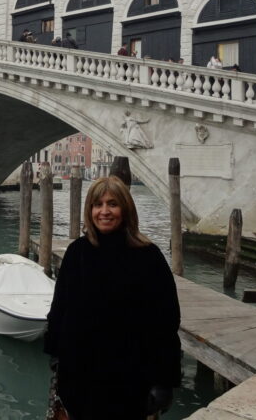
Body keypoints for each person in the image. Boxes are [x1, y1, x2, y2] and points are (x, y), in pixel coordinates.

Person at [44, 176, 181, 419]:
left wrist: (164, 381)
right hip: (79, 377)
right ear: (90, 210)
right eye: (98, 205)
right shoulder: (77, 253)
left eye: (112, 204)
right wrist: (56, 357)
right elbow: (60, 310)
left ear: (126, 210)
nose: (104, 212)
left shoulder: (149, 257)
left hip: (131, 380)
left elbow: (166, 323)